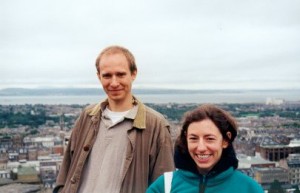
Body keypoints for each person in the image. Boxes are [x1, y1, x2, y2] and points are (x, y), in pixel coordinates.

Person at [53, 45, 175, 193]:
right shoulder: (88, 116)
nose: (114, 83)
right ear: (99, 76)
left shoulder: (155, 125)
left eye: (121, 74)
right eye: (107, 76)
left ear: (133, 74)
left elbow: (163, 185)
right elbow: (66, 170)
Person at [146, 104, 264, 193]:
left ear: (225, 140)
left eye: (209, 139)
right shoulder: (165, 186)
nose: (201, 148)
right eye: (193, 138)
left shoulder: (249, 188)